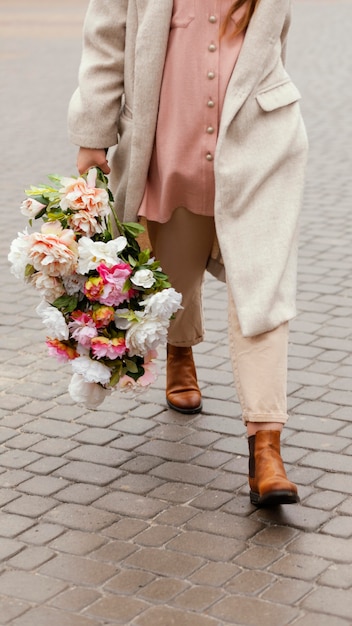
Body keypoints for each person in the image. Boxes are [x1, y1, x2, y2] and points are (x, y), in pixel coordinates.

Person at [68, 0, 308, 507]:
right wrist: (94, 132)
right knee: (173, 277)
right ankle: (180, 350)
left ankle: (266, 448)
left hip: (257, 145)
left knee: (263, 289)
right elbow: (107, 37)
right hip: (166, 148)